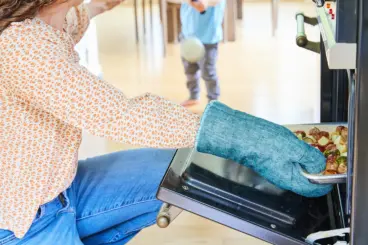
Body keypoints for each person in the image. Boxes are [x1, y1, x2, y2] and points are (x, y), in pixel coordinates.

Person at [0, 0, 332, 244]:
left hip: (59, 189)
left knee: (179, 172)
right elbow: (120, 115)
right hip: (24, 218)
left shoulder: (49, 19)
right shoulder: (22, 45)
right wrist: (240, 137)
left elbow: (86, 12)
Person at [180, 0, 225, 107]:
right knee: (189, 69)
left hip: (208, 37)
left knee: (208, 71)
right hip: (188, 35)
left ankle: (214, 102)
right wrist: (191, 2)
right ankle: (194, 95)